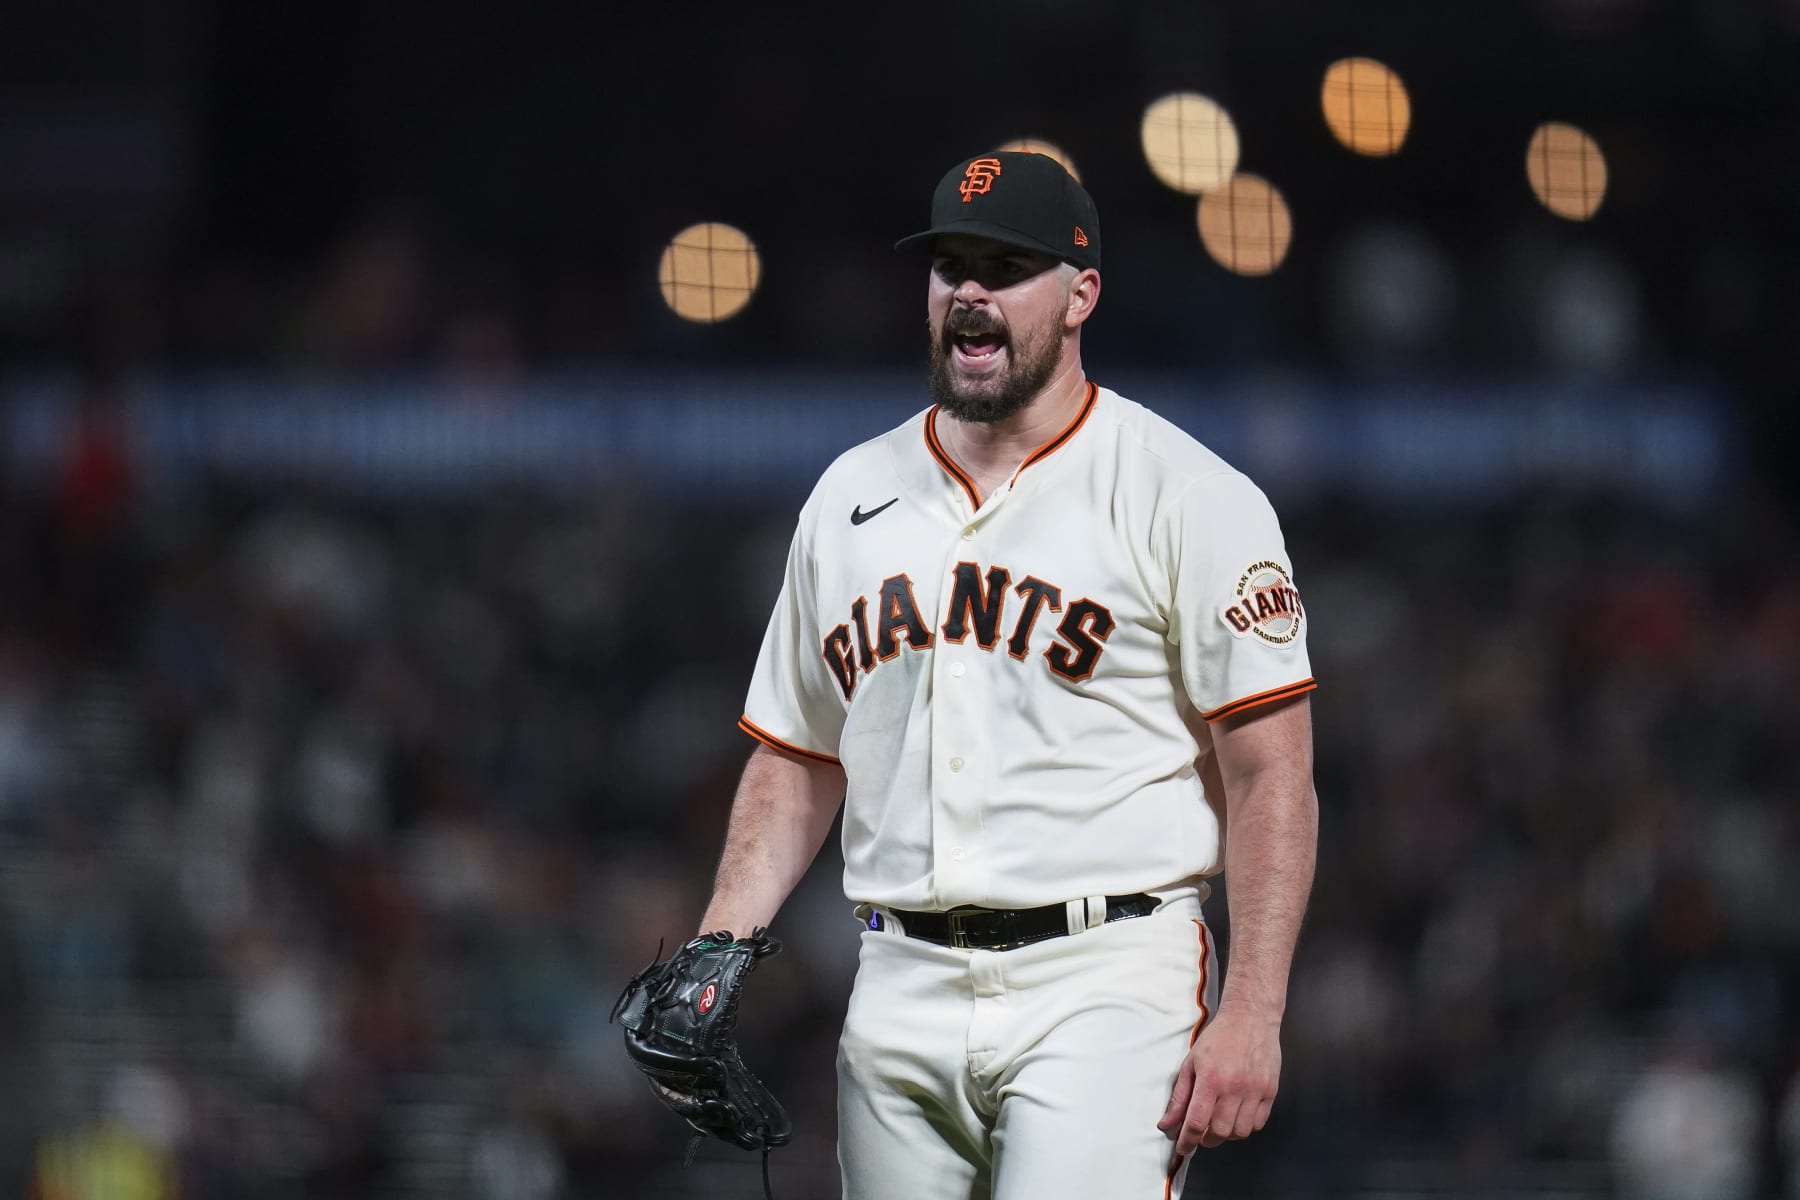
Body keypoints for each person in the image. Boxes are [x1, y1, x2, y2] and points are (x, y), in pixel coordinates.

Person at [702, 149, 1319, 1198]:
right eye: (951, 266)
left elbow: (1271, 776)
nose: (971, 291)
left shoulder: (1186, 493)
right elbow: (799, 754)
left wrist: (1254, 1010)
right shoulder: (849, 495)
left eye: (1007, 268)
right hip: (897, 980)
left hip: (1109, 977)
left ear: (1081, 296)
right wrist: (720, 944)